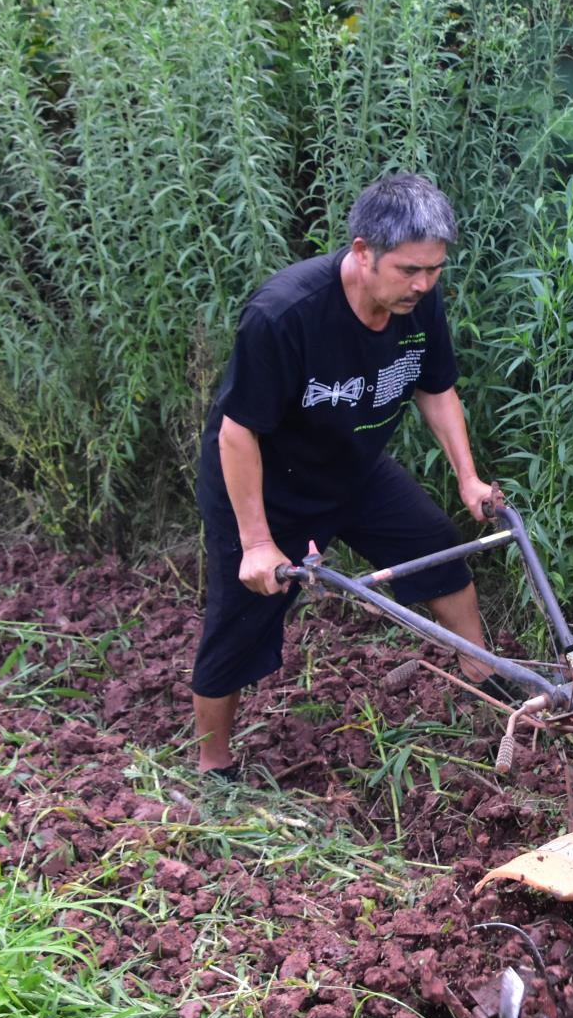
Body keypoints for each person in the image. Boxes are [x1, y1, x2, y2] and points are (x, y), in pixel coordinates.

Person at [189, 172, 499, 777]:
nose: (423, 284)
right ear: (362, 251)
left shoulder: (418, 301)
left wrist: (468, 478)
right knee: (240, 620)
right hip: (264, 484)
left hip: (352, 466)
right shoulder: (285, 314)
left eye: (434, 270)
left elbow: (437, 389)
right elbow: (237, 431)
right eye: (410, 270)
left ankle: (484, 673)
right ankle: (213, 765)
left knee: (436, 547)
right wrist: (256, 543)